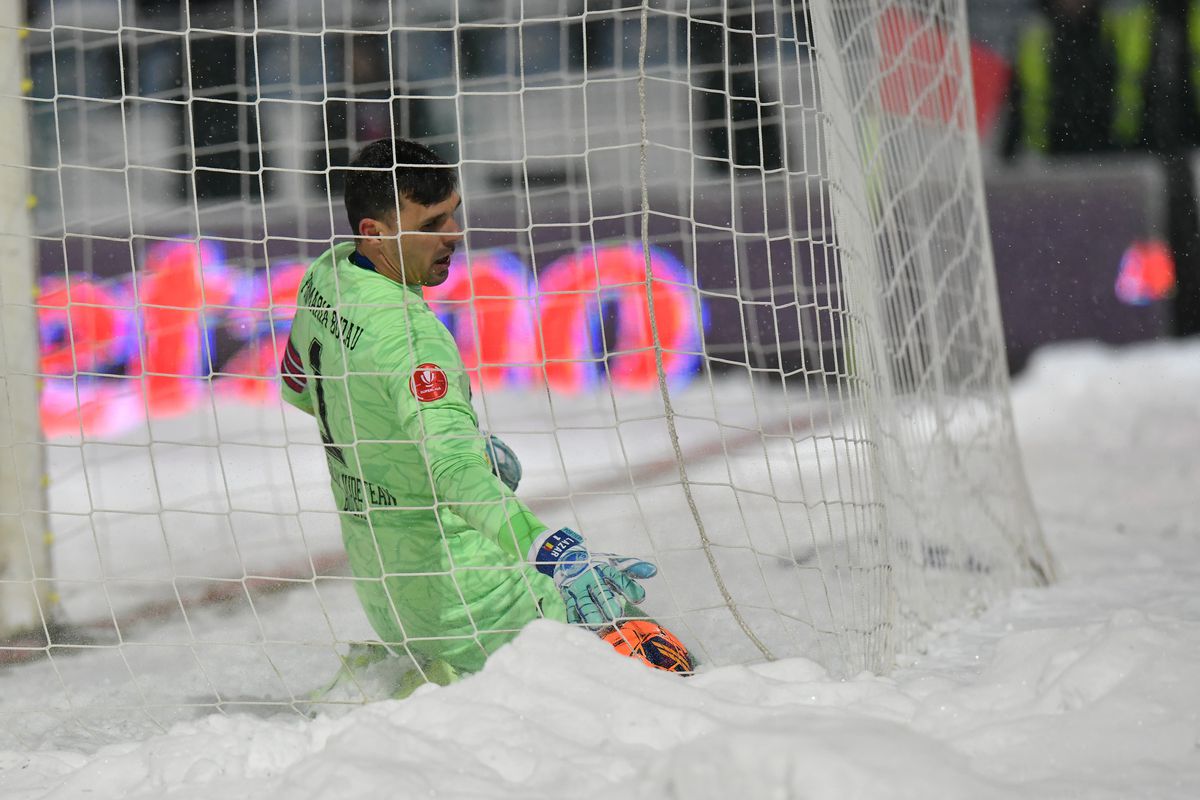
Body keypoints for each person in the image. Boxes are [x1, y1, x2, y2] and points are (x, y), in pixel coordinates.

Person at [280, 138, 688, 696]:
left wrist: (407, 441)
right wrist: (553, 552)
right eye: (432, 223)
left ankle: (407, 684)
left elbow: (299, 384)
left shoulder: (323, 278)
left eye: (454, 215)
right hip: (470, 595)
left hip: (383, 582)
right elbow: (455, 476)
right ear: (375, 232)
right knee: (668, 675)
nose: (454, 235)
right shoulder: (413, 339)